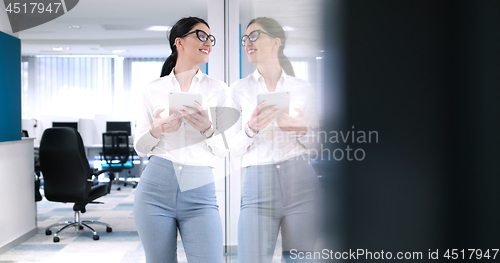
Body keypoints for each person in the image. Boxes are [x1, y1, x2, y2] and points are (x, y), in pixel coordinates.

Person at [133, 17, 226, 263]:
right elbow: (140, 149)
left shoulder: (220, 90)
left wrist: (208, 128)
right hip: (154, 190)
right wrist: (155, 130)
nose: (208, 43)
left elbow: (227, 149)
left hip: (200, 192)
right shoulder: (153, 89)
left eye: (210, 38)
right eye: (201, 35)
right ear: (179, 42)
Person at [228, 17, 321, 262]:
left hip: (302, 185)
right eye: (245, 38)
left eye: (254, 35)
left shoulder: (303, 88)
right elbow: (232, 149)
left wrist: (301, 129)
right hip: (258, 187)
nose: (247, 42)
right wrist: (251, 127)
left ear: (276, 42)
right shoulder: (237, 90)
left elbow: (318, 146)